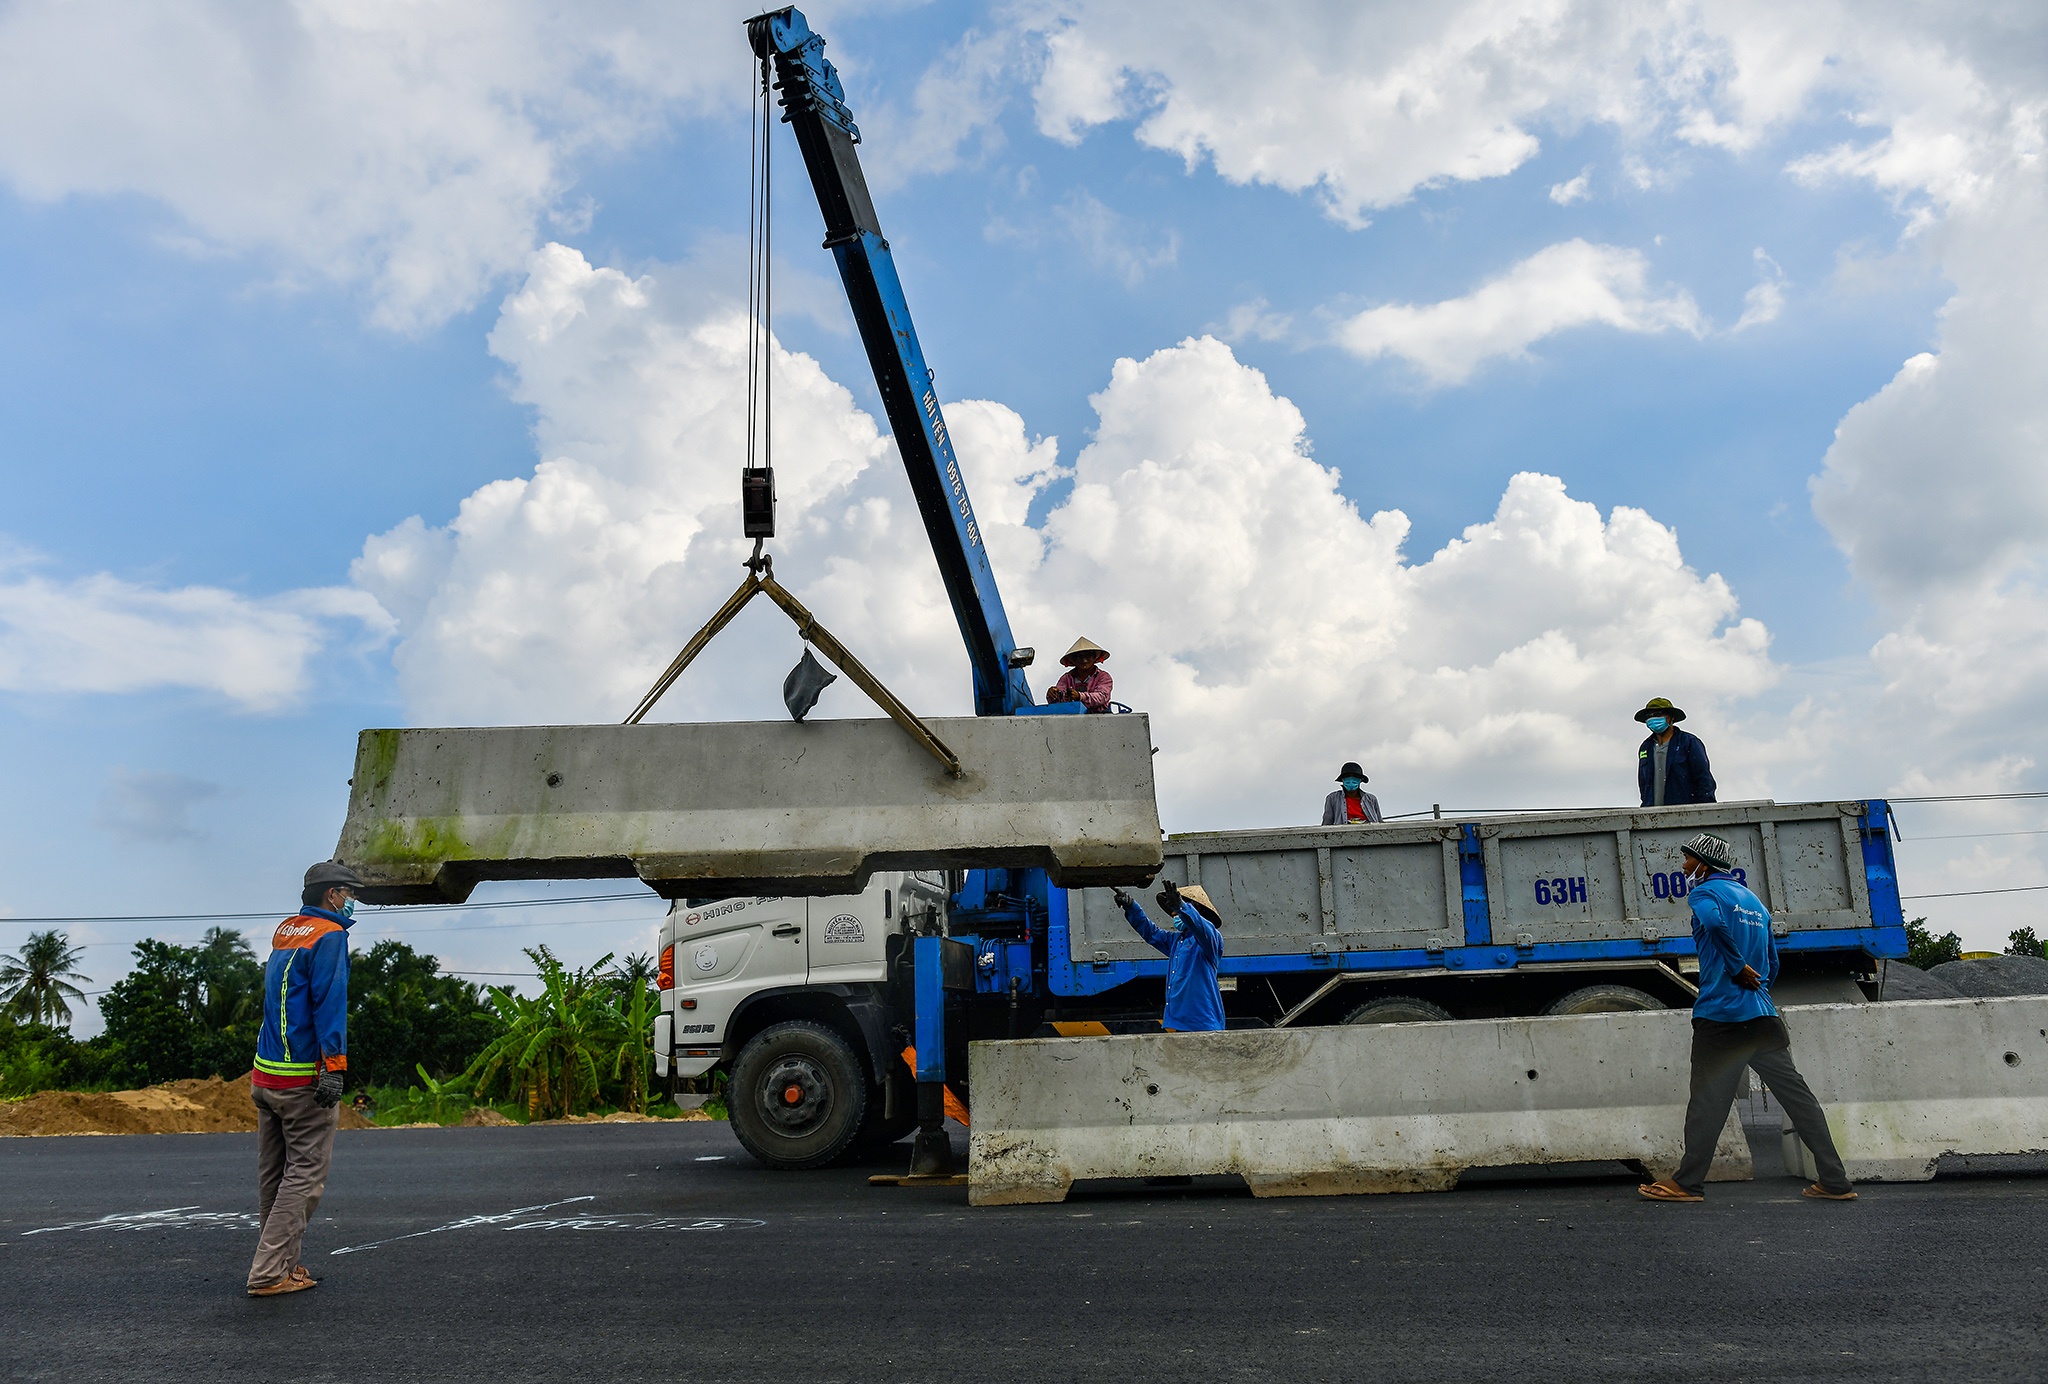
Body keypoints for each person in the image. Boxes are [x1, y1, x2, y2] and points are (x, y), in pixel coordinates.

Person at [1639, 833, 1856, 1204]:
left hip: (1722, 1017)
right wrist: (1756, 987)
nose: (1683, 866)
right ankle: (1835, 1181)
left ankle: (1687, 1184)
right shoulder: (1755, 902)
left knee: (1707, 1105)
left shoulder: (1705, 894)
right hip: (1763, 1017)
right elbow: (1772, 962)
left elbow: (1712, 925)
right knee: (1799, 1100)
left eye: (1688, 859)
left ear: (1704, 864)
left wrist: (1736, 967)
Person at [246, 860, 361, 1296]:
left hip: (265, 1076)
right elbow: (328, 1004)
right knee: (304, 1176)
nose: (353, 901)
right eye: (350, 893)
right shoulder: (330, 937)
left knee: (273, 1178)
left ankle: (284, 1264)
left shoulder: (286, 931)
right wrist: (335, 1067)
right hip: (300, 1081)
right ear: (332, 894)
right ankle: (268, 1273)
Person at [1111, 881, 1225, 1033]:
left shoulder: (1211, 940)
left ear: (1196, 909)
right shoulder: (1177, 942)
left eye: (1175, 910)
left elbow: (1202, 928)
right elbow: (1152, 933)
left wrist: (1182, 907)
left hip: (1204, 1025)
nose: (1172, 914)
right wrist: (1131, 907)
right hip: (1182, 1025)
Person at [1635, 696, 1716, 807]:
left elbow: (1703, 779)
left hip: (1685, 813)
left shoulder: (1689, 743)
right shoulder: (1645, 747)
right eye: (1649, 716)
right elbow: (1643, 785)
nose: (1653, 719)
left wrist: (1704, 810)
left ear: (1671, 718)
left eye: (1659, 714)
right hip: (1652, 816)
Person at [1045, 637, 1113, 712]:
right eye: (1079, 657)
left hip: (1099, 717)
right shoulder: (1066, 678)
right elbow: (1059, 699)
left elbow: (1101, 697)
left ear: (1094, 657)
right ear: (1073, 660)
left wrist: (1079, 696)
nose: (1084, 660)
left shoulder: (1103, 677)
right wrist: (1053, 694)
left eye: (1088, 655)